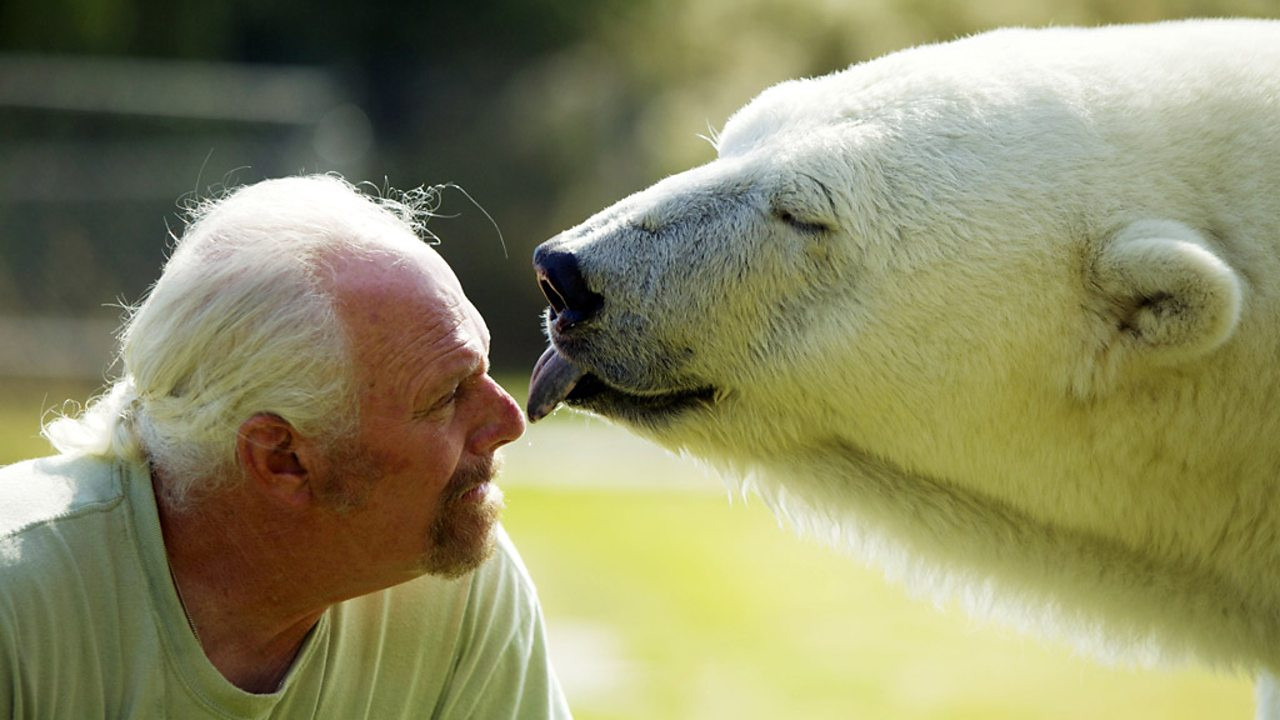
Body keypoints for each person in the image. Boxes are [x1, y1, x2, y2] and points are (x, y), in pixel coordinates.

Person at [0, 175, 572, 718]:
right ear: (283, 459)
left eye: (485, 370)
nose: (509, 420)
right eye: (446, 395)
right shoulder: (18, 603)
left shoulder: (455, 586)